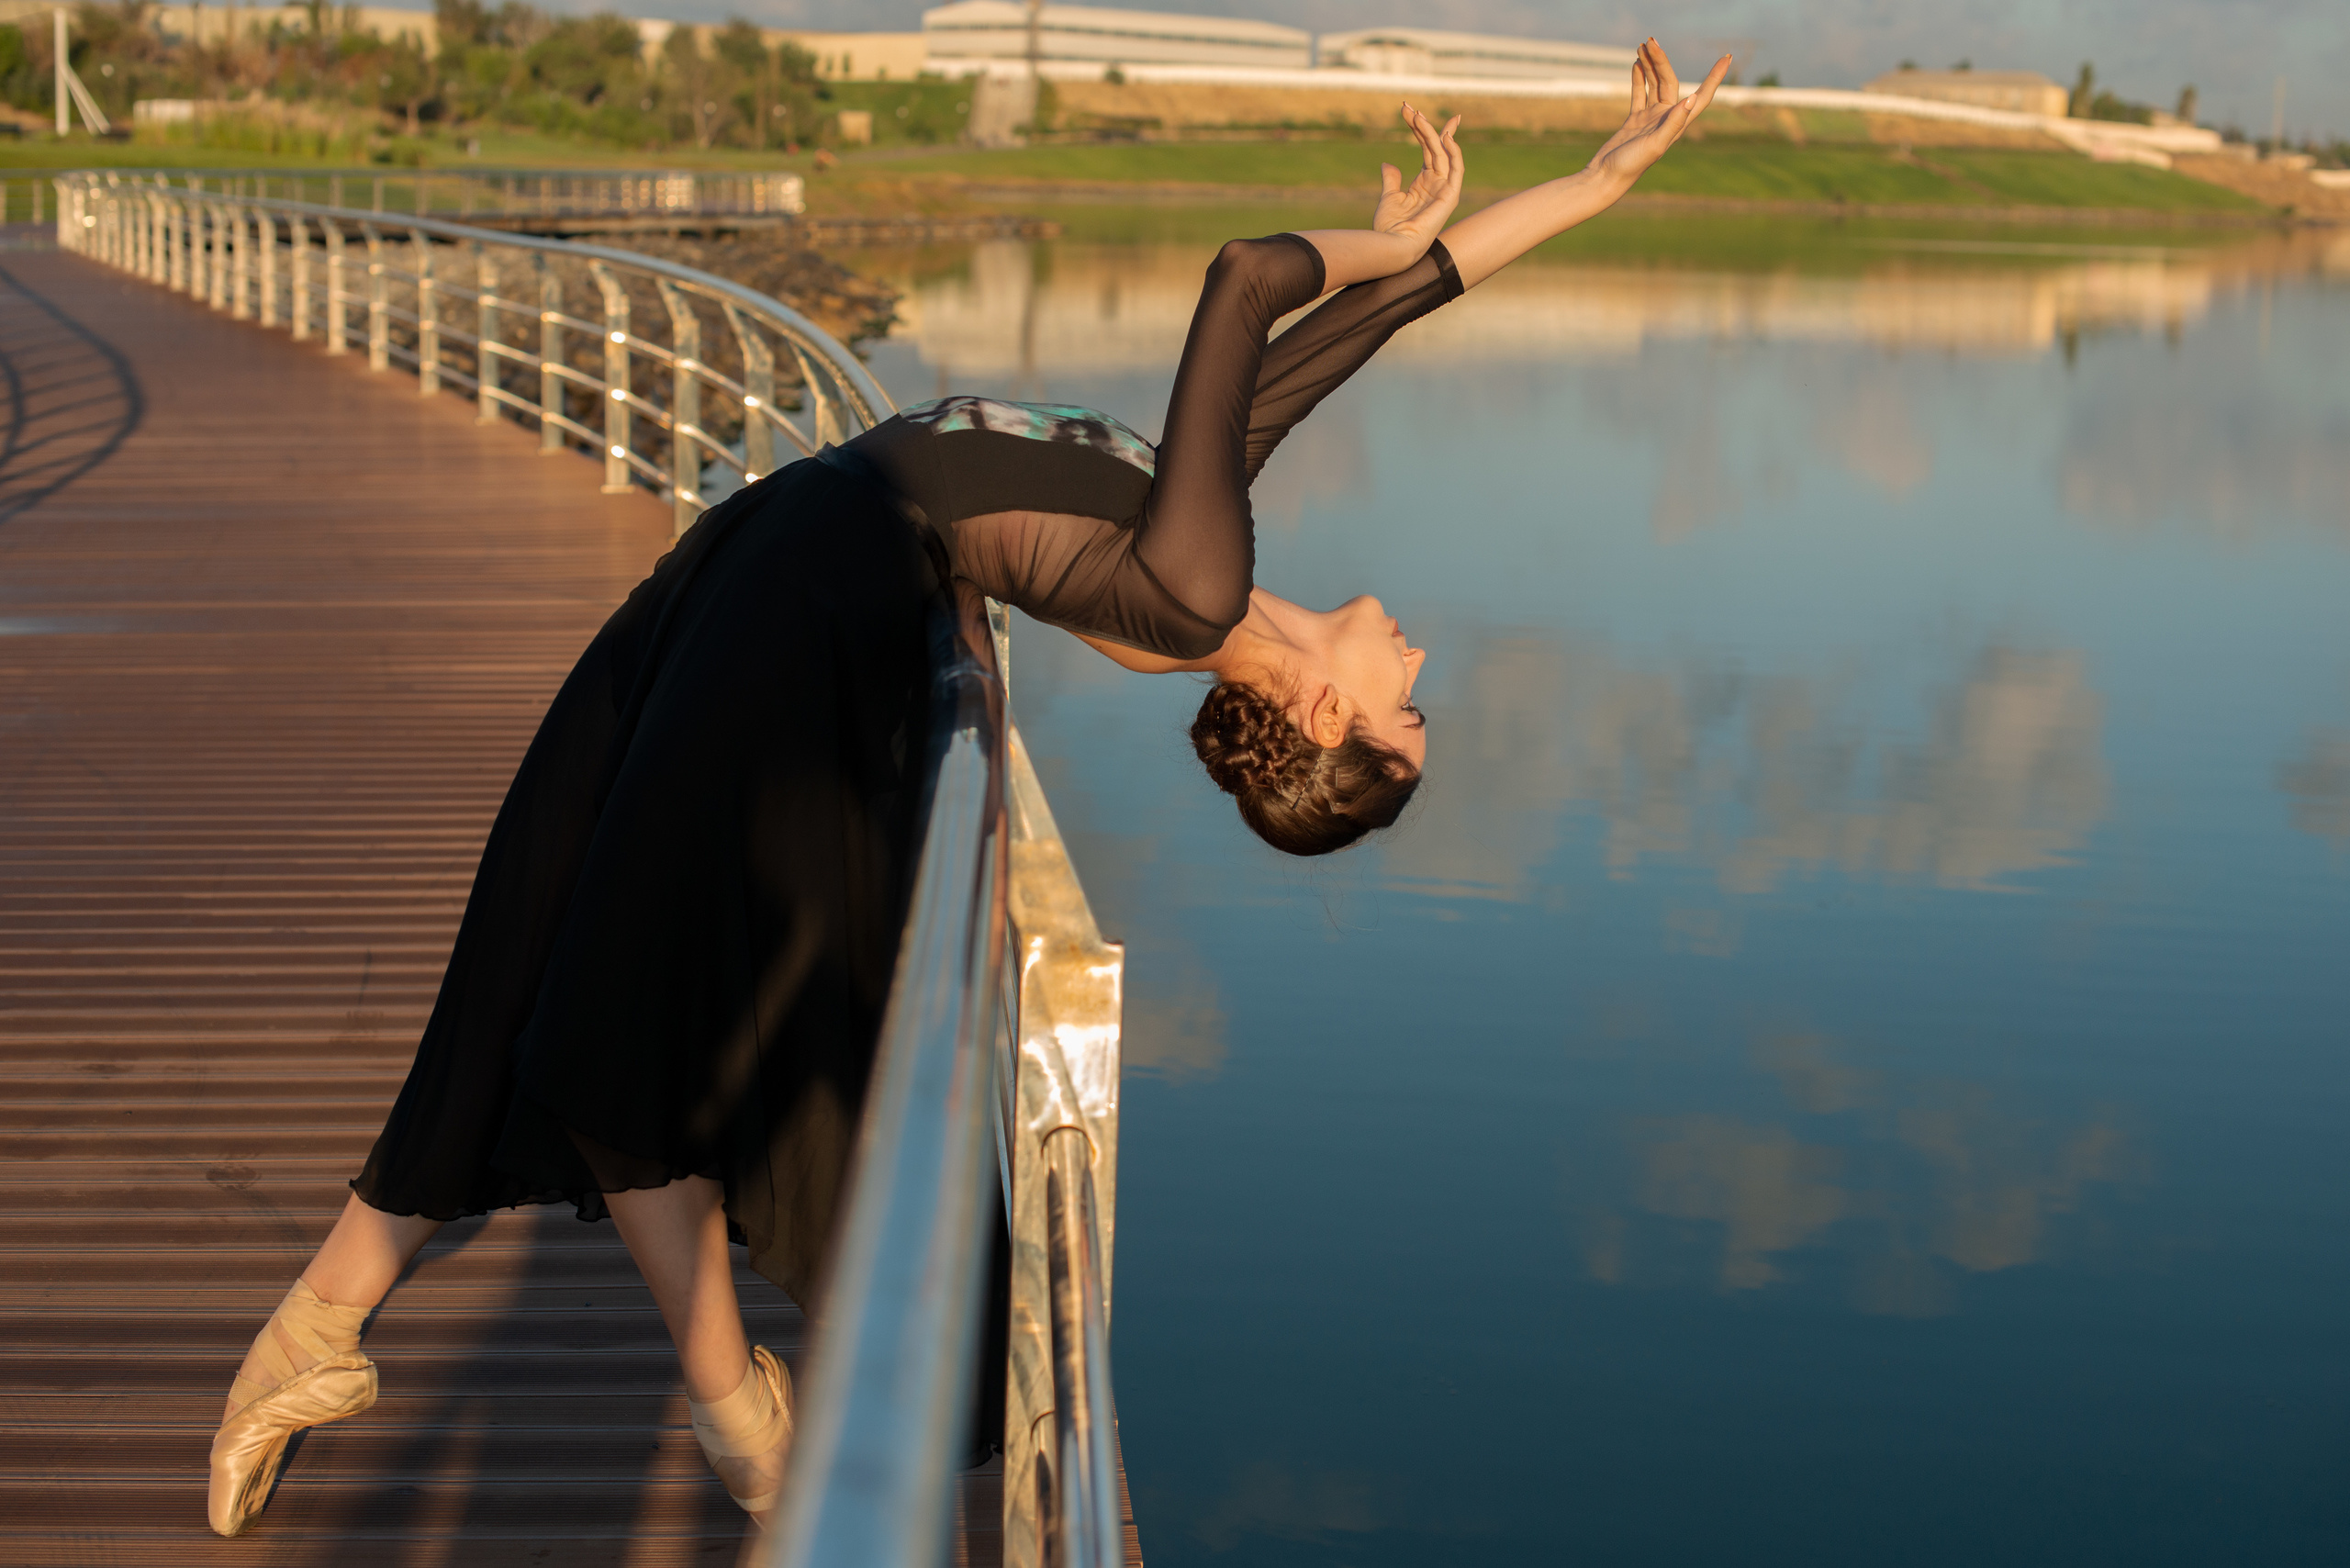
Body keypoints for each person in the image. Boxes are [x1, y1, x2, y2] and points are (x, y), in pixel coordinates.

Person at [205, 38, 1729, 1539]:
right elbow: (1369, 323)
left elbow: (1243, 279)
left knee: (613, 976)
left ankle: (682, 1402)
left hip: (815, 585)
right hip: (788, 547)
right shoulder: (1219, 567)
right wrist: (1596, 182)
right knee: (549, 887)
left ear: (1326, 715)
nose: (1423, 662)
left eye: (1409, 714)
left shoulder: (1196, 591)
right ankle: (346, 1335)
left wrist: (1362, 245)